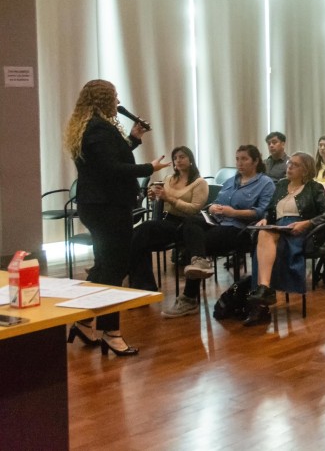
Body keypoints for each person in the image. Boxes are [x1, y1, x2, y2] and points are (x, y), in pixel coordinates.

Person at [64, 79, 168, 356]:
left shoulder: (91, 126)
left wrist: (133, 139)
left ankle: (84, 321)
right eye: (115, 96)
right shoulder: (98, 128)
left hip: (99, 205)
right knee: (113, 269)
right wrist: (150, 167)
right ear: (104, 99)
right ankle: (111, 332)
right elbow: (111, 168)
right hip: (107, 206)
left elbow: (108, 160)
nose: (118, 100)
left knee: (106, 266)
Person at [163, 144, 275, 318]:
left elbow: (262, 211)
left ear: (256, 161)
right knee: (191, 221)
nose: (239, 163)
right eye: (237, 159)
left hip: (240, 228)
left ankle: (189, 298)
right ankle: (199, 262)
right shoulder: (232, 180)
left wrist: (234, 212)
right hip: (218, 221)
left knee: (197, 244)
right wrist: (213, 207)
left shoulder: (265, 183)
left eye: (244, 159)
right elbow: (217, 201)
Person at [246, 152, 325, 315]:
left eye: (295, 164)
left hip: (301, 232)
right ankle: (264, 290)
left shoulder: (315, 188)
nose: (289, 167)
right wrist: (265, 219)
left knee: (265, 242)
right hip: (278, 228)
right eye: (289, 163)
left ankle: (264, 293)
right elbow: (270, 210)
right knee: (263, 234)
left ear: (305, 170)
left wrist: (307, 223)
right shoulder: (281, 185)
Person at [128, 146, 209, 291]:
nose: (178, 160)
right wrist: (154, 196)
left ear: (190, 159)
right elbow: (161, 200)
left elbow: (194, 209)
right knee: (138, 239)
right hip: (166, 221)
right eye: (176, 158)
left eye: (182, 157)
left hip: (185, 225)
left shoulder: (199, 183)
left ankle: (117, 266)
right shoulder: (168, 179)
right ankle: (144, 286)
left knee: (143, 230)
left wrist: (169, 198)